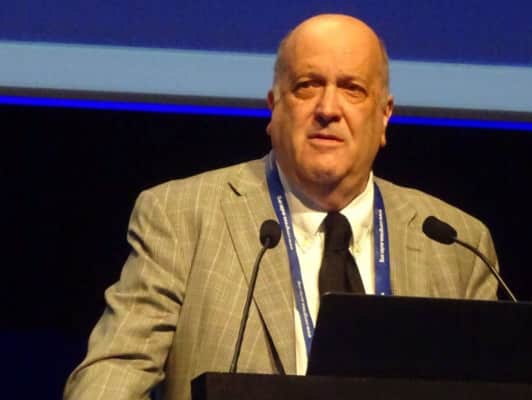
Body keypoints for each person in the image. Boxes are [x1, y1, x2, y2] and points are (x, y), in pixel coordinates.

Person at [64, 14, 498, 400]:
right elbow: (112, 374)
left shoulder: (457, 246)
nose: (328, 109)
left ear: (384, 116)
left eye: (352, 89)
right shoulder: (181, 216)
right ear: (274, 109)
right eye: (307, 86)